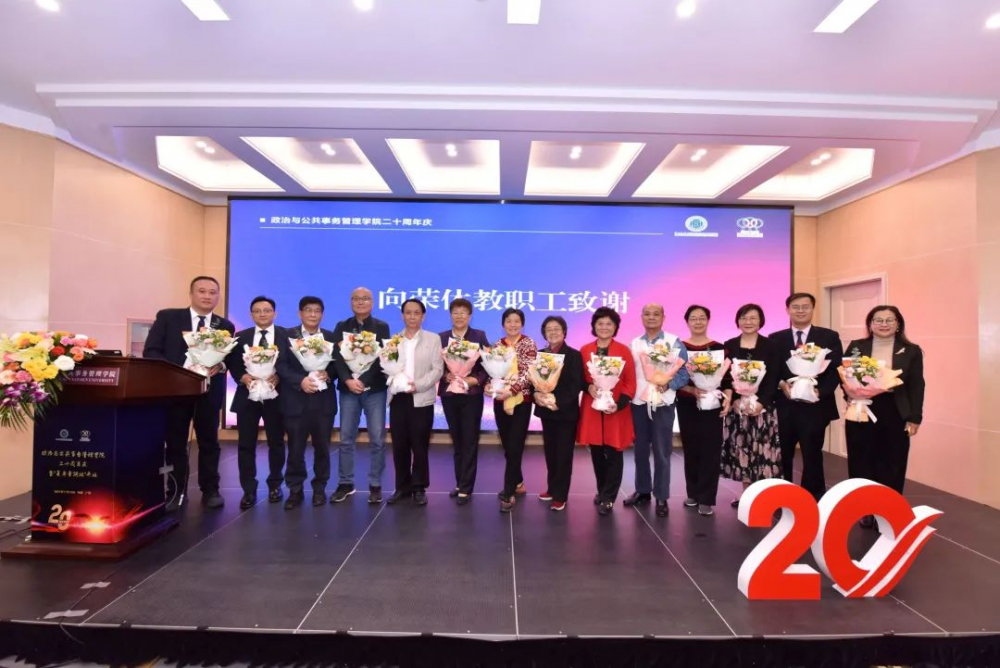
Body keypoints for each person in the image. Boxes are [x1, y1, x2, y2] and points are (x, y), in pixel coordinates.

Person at [144, 276, 235, 511]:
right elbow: (151, 352)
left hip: (208, 392)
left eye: (213, 292)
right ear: (191, 293)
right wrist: (179, 371)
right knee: (175, 443)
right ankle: (175, 491)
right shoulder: (168, 317)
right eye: (202, 291)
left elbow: (229, 359)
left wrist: (220, 366)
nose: (207, 296)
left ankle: (211, 489)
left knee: (209, 442)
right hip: (176, 391)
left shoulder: (225, 325)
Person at [843, 306, 924, 527]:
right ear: (870, 324)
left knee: (893, 462)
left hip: (895, 411)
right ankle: (865, 510)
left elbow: (917, 385)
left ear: (898, 324)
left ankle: (889, 510)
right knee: (861, 460)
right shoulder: (857, 346)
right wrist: (850, 394)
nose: (884, 324)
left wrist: (915, 417)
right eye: (878, 320)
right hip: (862, 409)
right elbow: (846, 376)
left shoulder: (911, 350)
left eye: (890, 320)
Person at [770, 293, 844, 501]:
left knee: (812, 453)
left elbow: (836, 369)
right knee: (782, 453)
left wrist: (821, 391)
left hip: (816, 406)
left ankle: (813, 497)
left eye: (805, 306)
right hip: (784, 404)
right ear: (788, 310)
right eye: (796, 307)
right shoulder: (776, 338)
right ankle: (782, 495)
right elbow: (772, 369)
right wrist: (782, 385)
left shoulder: (829, 336)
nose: (801, 310)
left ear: (813, 309)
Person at [624, 303, 690, 517]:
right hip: (639, 402)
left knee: (662, 451)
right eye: (647, 314)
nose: (651, 317)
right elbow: (629, 373)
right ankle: (643, 490)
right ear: (641, 317)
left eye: (656, 314)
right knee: (640, 449)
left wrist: (668, 384)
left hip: (663, 403)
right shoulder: (634, 343)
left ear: (663, 317)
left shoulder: (673, 342)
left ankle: (662, 495)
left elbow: (684, 372)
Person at [330, 287, 391, 505]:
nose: (360, 302)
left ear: (372, 302)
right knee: (346, 438)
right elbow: (337, 356)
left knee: (377, 439)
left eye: (365, 298)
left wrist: (363, 379)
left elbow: (382, 357)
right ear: (351, 302)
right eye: (356, 298)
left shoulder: (381, 327)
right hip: (348, 390)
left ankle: (375, 484)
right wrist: (348, 379)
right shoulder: (342, 326)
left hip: (374, 389)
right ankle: (345, 483)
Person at [226, 296, 289, 509]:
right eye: (257, 311)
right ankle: (248, 489)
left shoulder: (286, 336)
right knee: (246, 444)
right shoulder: (240, 337)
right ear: (251, 314)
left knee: (276, 442)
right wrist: (242, 377)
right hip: (248, 396)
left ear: (274, 313)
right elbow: (233, 363)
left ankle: (275, 485)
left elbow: (290, 363)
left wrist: (279, 376)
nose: (262, 314)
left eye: (267, 310)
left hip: (276, 396)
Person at [278, 296, 338, 510]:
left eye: (317, 311)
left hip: (323, 403)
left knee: (322, 448)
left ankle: (320, 488)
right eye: (308, 310)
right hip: (295, 401)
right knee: (295, 448)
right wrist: (300, 381)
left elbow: (338, 365)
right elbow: (281, 365)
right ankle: (295, 490)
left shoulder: (330, 337)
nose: (313, 314)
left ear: (322, 314)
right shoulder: (286, 336)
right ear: (300, 313)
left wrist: (328, 374)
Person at [577, 307, 637, 516]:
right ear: (594, 326)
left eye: (609, 324)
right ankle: (602, 490)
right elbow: (580, 378)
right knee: (596, 452)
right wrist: (588, 387)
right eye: (600, 323)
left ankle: (609, 497)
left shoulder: (623, 351)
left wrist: (619, 404)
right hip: (593, 407)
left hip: (615, 408)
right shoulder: (585, 350)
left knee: (613, 452)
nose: (604, 327)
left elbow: (630, 381)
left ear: (615, 327)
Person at [721, 304, 782, 506]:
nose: (748, 322)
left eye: (753, 318)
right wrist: (735, 400)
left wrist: (761, 402)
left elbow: (773, 377)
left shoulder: (771, 345)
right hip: (738, 408)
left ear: (760, 321)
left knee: (763, 451)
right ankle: (746, 496)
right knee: (743, 450)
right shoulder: (729, 345)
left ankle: (763, 495)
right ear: (738, 321)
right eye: (744, 318)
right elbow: (725, 376)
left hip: (763, 408)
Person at [386, 299, 444, 506]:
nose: (412, 316)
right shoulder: (394, 340)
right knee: (399, 445)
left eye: (416, 313)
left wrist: (417, 385)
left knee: (419, 445)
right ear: (403, 315)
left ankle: (419, 487)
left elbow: (438, 369)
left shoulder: (433, 339)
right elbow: (386, 365)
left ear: (423, 316)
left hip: (421, 397)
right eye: (408, 312)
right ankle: (402, 487)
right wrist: (394, 380)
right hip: (398, 398)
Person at [675, 305, 729, 516]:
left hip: (712, 402)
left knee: (711, 449)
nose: (697, 322)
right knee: (691, 448)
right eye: (693, 318)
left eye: (702, 318)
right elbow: (673, 376)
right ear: (687, 322)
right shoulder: (680, 347)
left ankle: (706, 498)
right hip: (687, 403)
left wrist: (726, 397)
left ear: (708, 320)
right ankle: (693, 493)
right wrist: (691, 389)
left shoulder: (719, 348)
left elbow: (727, 378)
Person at [438, 298, 490, 506]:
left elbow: (488, 365)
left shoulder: (479, 336)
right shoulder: (442, 337)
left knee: (469, 440)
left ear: (470, 315)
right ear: (450, 315)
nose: (459, 316)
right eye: (455, 312)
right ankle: (460, 482)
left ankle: (467, 487)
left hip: (471, 395)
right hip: (450, 395)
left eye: (463, 312)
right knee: (457, 440)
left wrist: (475, 379)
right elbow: (436, 365)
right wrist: (445, 375)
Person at [533, 316, 584, 512]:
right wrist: (538, 395)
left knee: (563, 455)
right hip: (547, 412)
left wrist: (557, 402)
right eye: (549, 329)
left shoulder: (574, 355)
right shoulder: (541, 354)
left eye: (556, 329)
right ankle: (552, 488)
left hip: (565, 413)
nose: (552, 332)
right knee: (550, 452)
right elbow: (534, 381)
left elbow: (576, 385)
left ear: (564, 332)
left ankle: (561, 495)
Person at [492, 308, 538, 513]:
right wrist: (491, 386)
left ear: (522, 324)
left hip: (521, 401)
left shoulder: (528, 343)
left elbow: (528, 372)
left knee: (515, 445)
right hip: (500, 401)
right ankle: (518, 482)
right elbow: (493, 371)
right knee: (507, 444)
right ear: (503, 324)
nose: (512, 324)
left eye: (516, 321)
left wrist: (511, 390)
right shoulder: (497, 345)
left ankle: (508, 492)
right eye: (509, 321)